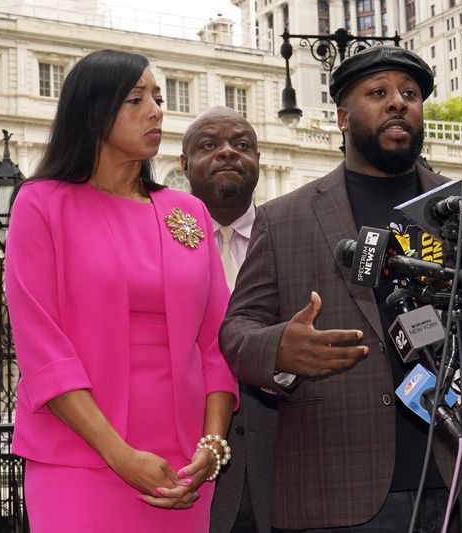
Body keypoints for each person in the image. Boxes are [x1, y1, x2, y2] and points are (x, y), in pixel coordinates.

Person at [219, 46, 462, 532]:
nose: (398, 103)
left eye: (410, 94)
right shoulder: (283, 218)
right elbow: (237, 331)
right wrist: (280, 350)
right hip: (336, 488)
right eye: (379, 93)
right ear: (344, 118)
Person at [5, 49, 238, 532]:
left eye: (157, 96)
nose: (157, 109)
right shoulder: (41, 204)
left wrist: (212, 448)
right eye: (136, 99)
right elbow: (42, 351)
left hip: (185, 471)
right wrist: (120, 455)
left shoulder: (188, 212)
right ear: (93, 111)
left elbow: (216, 344)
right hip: (78, 459)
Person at [181, 106, 278, 533]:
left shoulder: (289, 235)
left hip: (280, 468)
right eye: (209, 145)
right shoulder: (152, 242)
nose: (227, 153)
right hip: (184, 465)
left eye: (242, 146)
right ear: (183, 164)